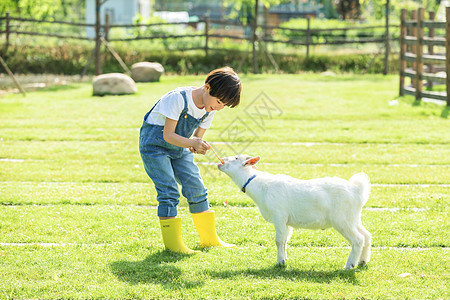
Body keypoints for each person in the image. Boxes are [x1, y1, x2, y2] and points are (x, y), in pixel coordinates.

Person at [139, 66, 242, 254]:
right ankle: (173, 246)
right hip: (155, 148)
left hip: (180, 147)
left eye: (224, 105)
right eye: (219, 101)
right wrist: (192, 142)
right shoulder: (178, 98)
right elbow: (168, 135)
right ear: (207, 87)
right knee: (169, 192)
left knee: (196, 188)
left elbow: (196, 139)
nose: (219, 107)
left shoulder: (209, 109)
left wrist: (198, 145)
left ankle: (209, 239)